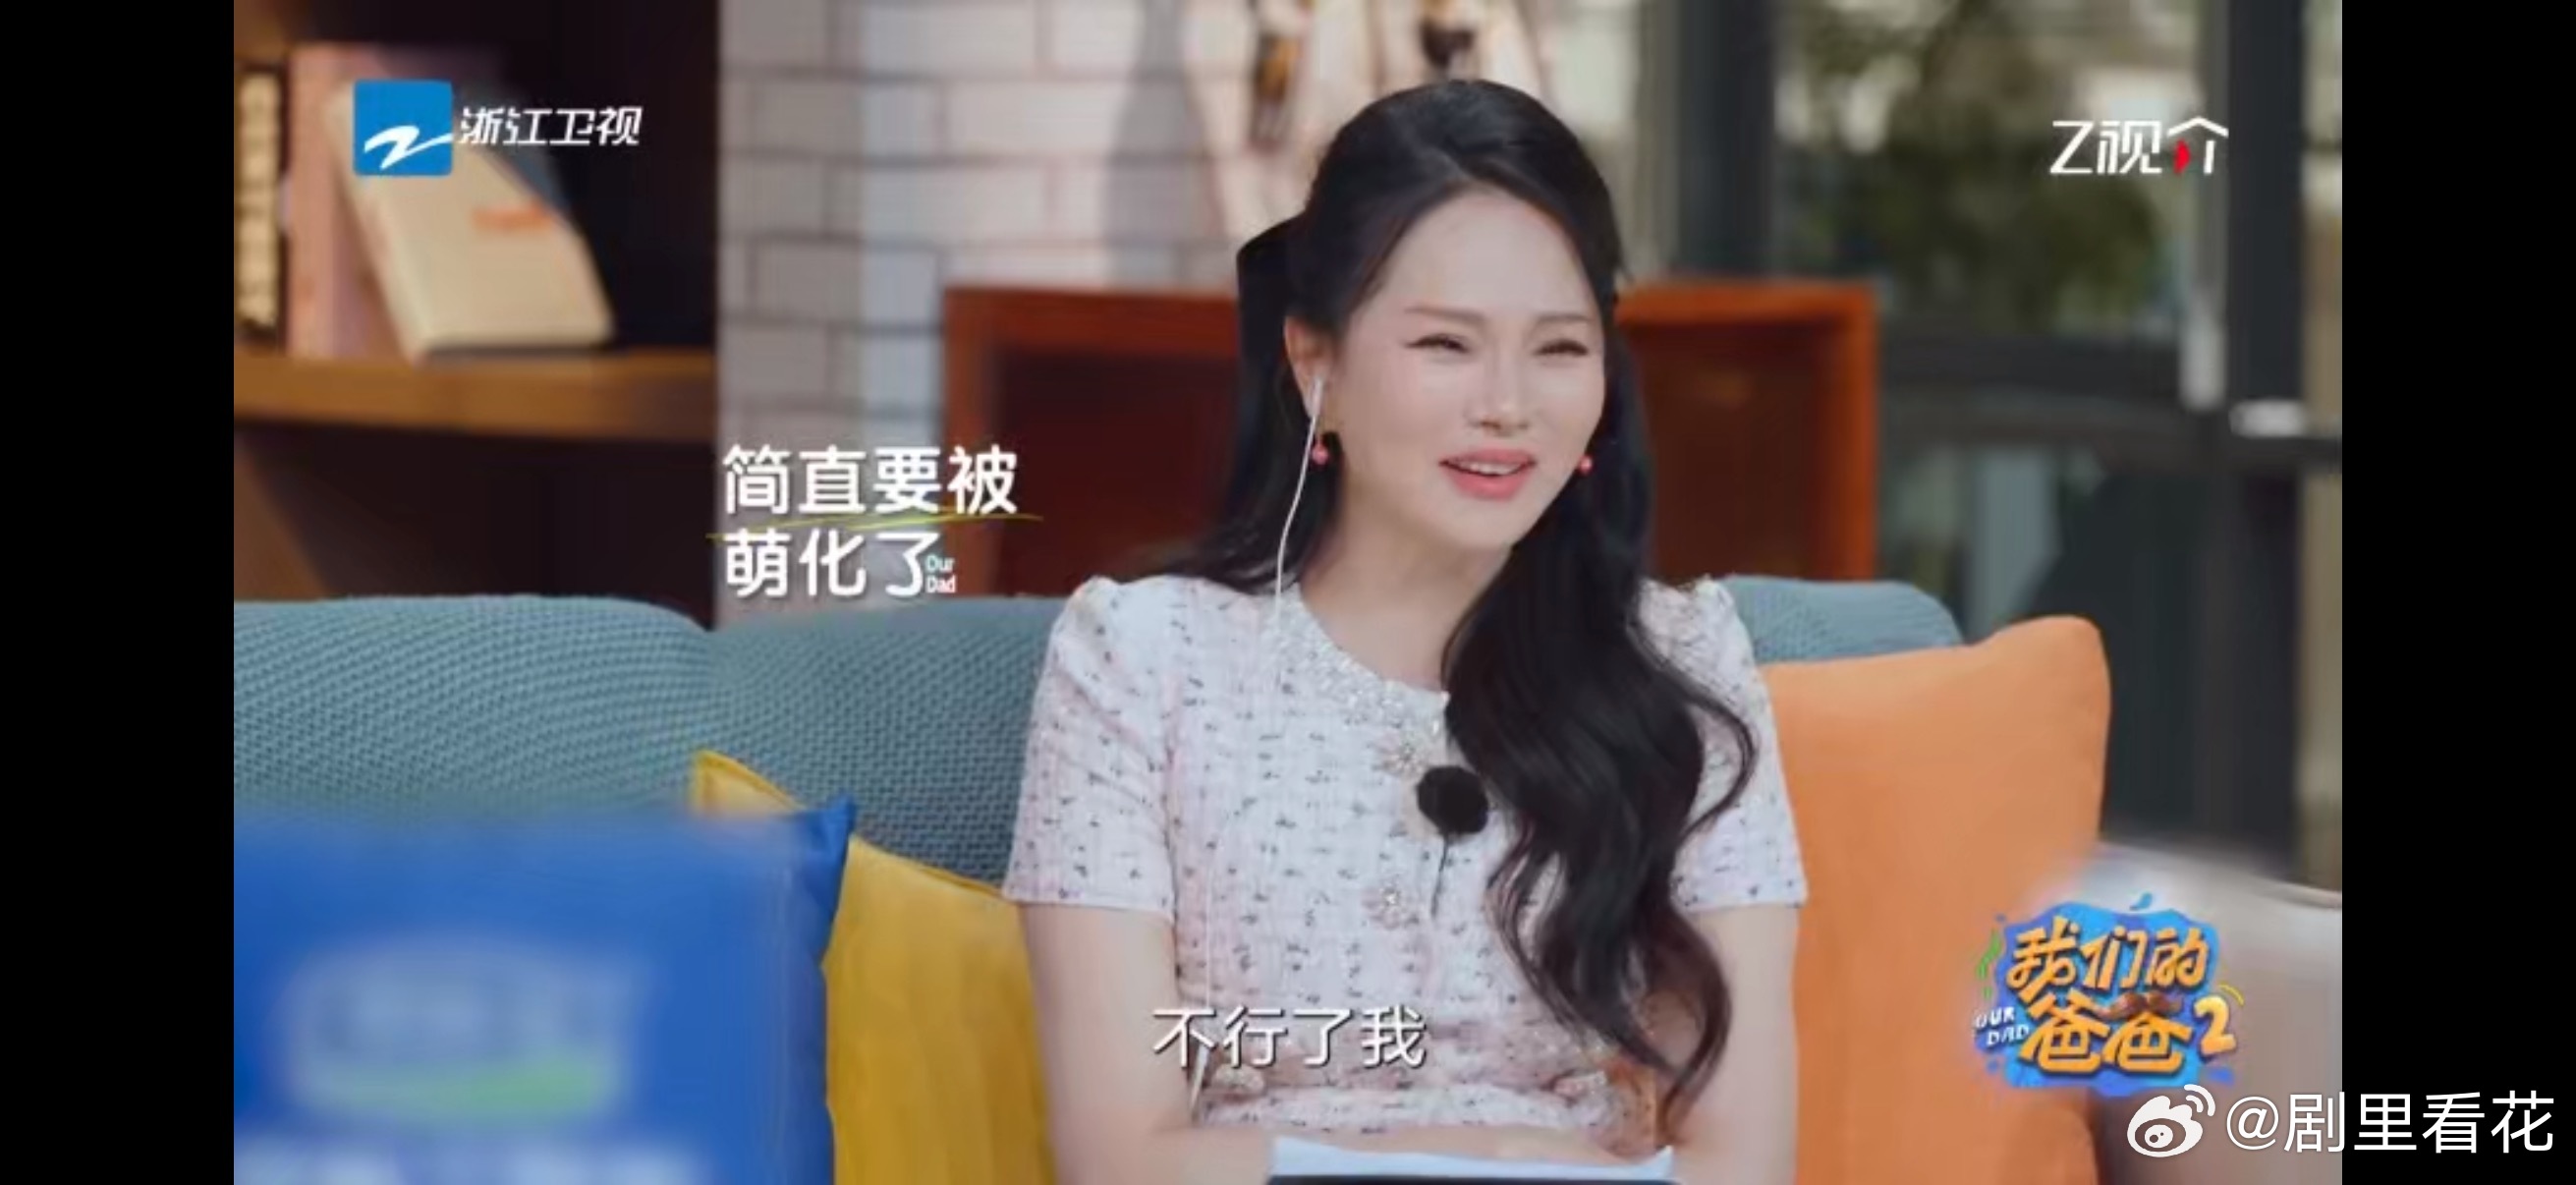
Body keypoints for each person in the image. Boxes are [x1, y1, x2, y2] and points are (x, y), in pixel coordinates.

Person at [1003, 79, 1804, 1185]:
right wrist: (1487, 1158)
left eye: (1559, 349)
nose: (1507, 404)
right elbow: (1117, 1160)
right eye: (1445, 344)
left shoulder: (1679, 664)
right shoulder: (1138, 663)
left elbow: (1745, 1162)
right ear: (1315, 367)